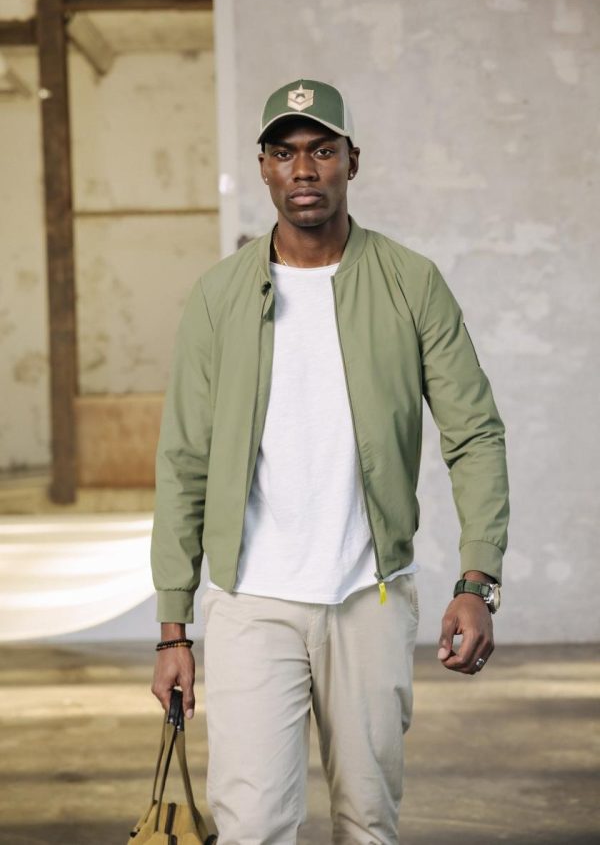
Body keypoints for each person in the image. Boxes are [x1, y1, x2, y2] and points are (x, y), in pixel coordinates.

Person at [150, 78, 509, 845]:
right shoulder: (218, 297)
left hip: (368, 598)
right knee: (253, 827)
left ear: (353, 160)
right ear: (263, 167)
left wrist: (478, 580)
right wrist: (172, 629)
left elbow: (474, 433)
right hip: (250, 601)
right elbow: (183, 459)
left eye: (321, 150)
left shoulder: (411, 283)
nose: (304, 169)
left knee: (368, 823)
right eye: (285, 153)